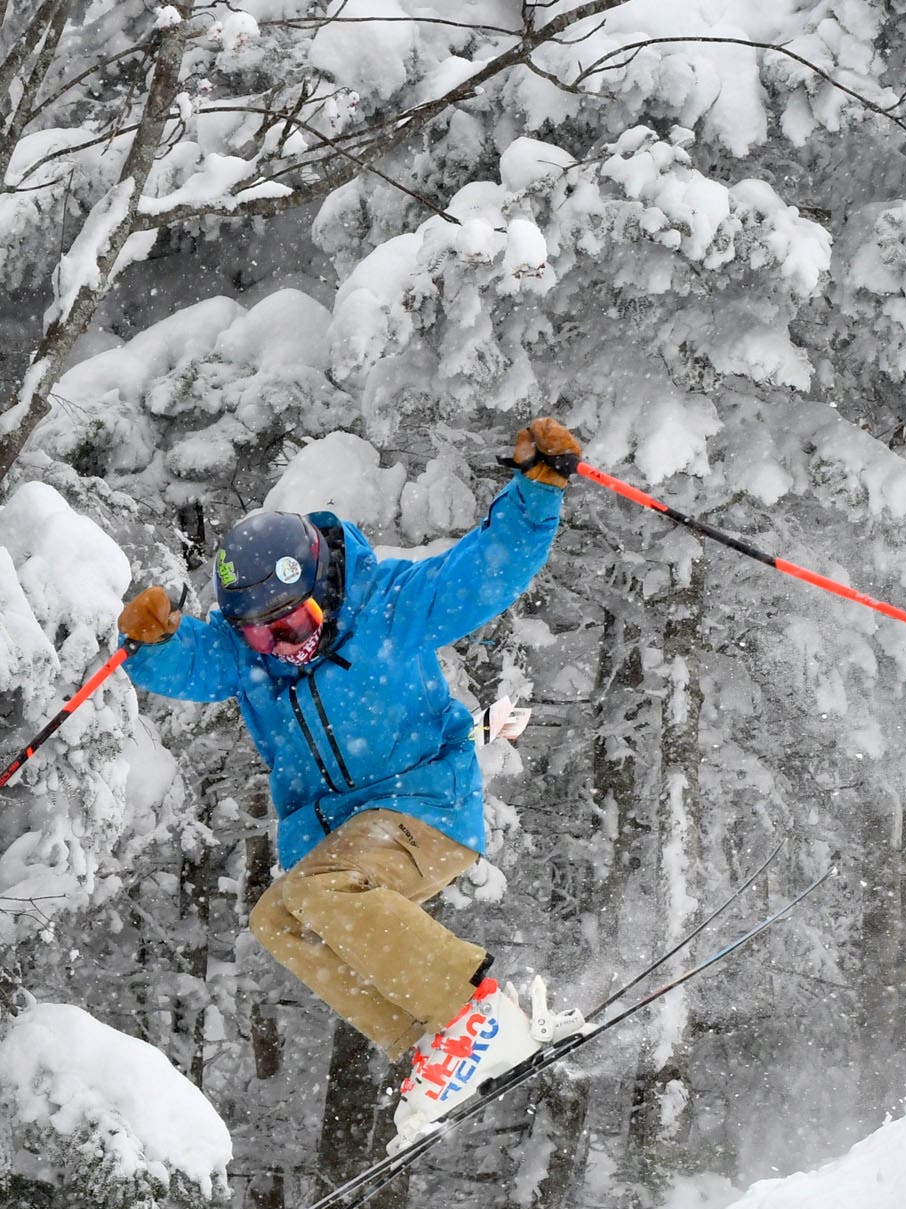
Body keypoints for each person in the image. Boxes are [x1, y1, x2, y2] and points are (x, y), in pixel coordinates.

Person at [117, 418, 585, 1151]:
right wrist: (151, 643)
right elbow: (191, 664)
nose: (286, 645)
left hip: (424, 805)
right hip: (347, 836)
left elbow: (488, 567)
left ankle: (472, 1013)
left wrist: (536, 493)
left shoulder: (391, 605)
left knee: (320, 889)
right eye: (263, 636)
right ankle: (439, 1039)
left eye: (295, 620)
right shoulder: (251, 658)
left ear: (323, 588)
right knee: (280, 917)